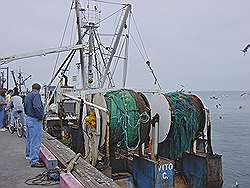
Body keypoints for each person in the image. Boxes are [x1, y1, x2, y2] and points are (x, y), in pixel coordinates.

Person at [24, 83, 44, 167]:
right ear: (39, 89)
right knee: (36, 140)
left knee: (29, 139)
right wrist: (41, 116)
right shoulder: (36, 95)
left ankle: (29, 155)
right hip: (35, 119)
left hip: (28, 118)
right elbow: (37, 107)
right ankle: (34, 160)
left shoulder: (28, 95)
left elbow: (24, 107)